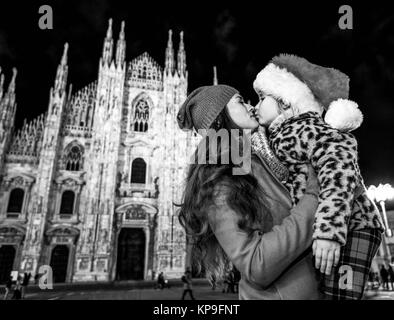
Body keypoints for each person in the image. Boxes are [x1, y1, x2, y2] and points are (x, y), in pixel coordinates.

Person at [253, 54, 385, 299]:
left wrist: (329, 232)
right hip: (330, 226)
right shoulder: (282, 134)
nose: (256, 105)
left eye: (262, 98)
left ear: (284, 102)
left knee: (339, 295)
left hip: (353, 225)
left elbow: (339, 170)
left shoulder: (309, 128)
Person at [177, 85, 321, 299]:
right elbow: (256, 264)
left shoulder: (252, 161)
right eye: (240, 101)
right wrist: (314, 197)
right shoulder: (218, 182)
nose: (251, 106)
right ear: (218, 118)